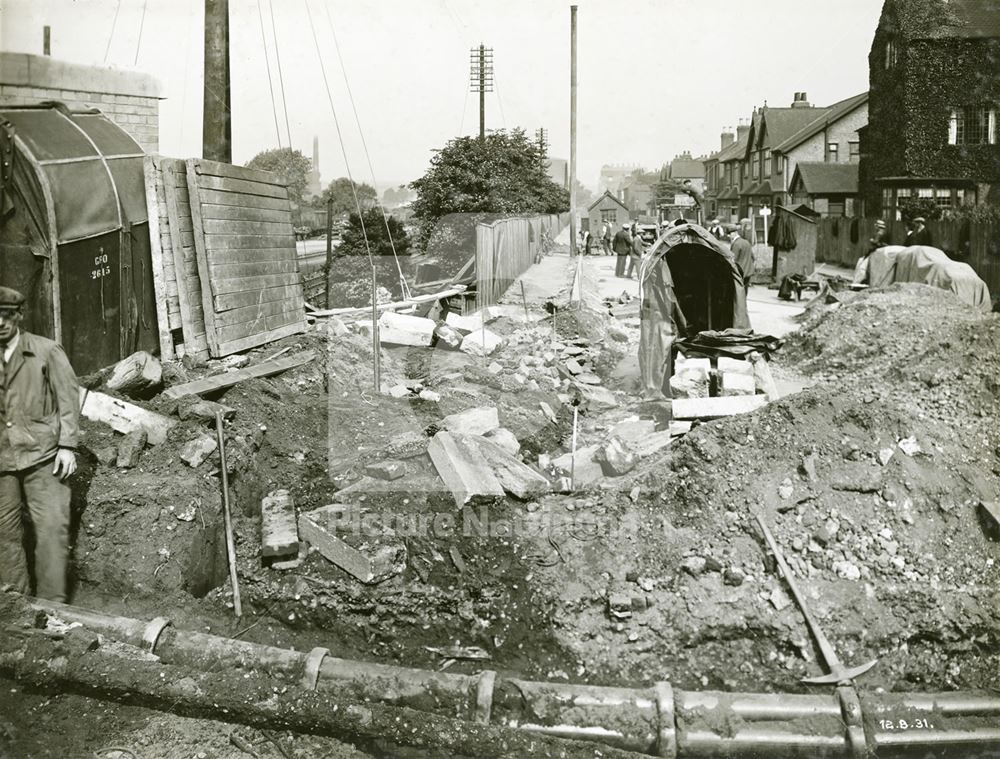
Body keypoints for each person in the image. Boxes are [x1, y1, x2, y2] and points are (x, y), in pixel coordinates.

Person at [0, 287, 79, 602]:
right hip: (3, 462)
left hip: (44, 456)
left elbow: (69, 399)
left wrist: (68, 446)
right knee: (4, 537)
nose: (1, 323)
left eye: (7, 316)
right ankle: (13, 605)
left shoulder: (47, 351)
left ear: (19, 316)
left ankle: (53, 608)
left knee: (50, 532)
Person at [727, 228, 754, 293]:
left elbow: (733, 259)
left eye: (729, 234)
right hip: (748, 271)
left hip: (740, 272)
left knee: (738, 293)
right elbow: (752, 257)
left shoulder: (736, 244)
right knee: (745, 291)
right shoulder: (746, 242)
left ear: (735, 233)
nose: (729, 236)